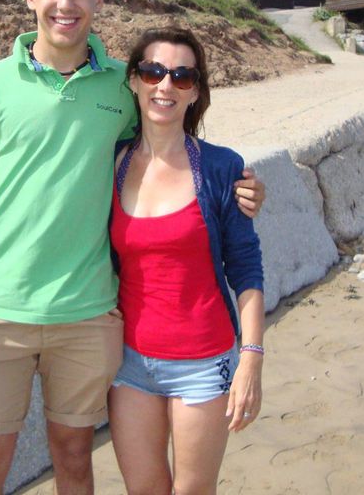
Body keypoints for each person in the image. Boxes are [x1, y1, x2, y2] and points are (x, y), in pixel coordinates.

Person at [0, 0, 265, 495]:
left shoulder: (120, 83)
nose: (65, 4)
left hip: (89, 313)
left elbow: (173, 145)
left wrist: (246, 189)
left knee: (75, 457)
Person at [108, 27, 265, 495]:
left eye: (181, 76)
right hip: (128, 363)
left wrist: (251, 358)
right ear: (133, 81)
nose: (165, 85)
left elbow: (246, 269)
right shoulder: (110, 162)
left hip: (204, 362)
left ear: (195, 91)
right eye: (153, 72)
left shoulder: (221, 168)